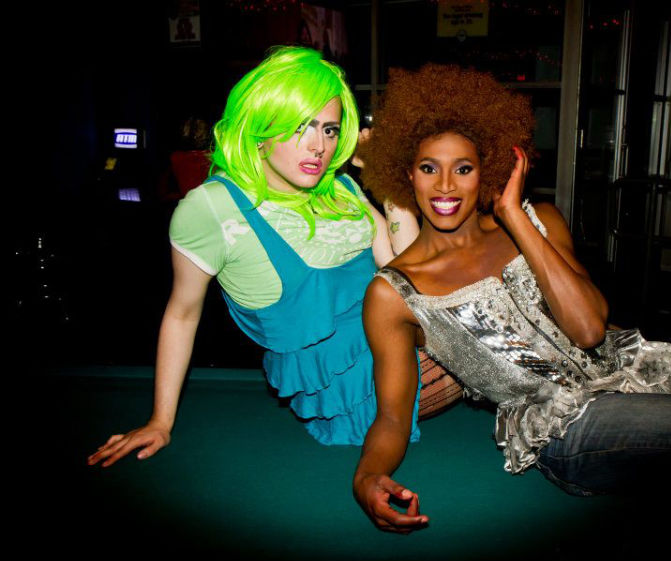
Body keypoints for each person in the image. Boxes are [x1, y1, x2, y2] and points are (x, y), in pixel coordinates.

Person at [351, 64, 671, 533]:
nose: (444, 186)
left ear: (487, 171)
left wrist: (513, 217)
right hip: (569, 428)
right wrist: (367, 476)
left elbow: (587, 328)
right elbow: (395, 416)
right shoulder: (394, 292)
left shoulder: (538, 222)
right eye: (428, 168)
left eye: (463, 168)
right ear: (407, 174)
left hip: (641, 375)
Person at [88, 46, 423, 467]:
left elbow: (410, 276)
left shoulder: (342, 188)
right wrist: (160, 420)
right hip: (349, 394)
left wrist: (385, 175)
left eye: (330, 129)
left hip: (411, 350)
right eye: (300, 126)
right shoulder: (213, 207)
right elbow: (182, 314)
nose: (318, 145)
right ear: (261, 128)